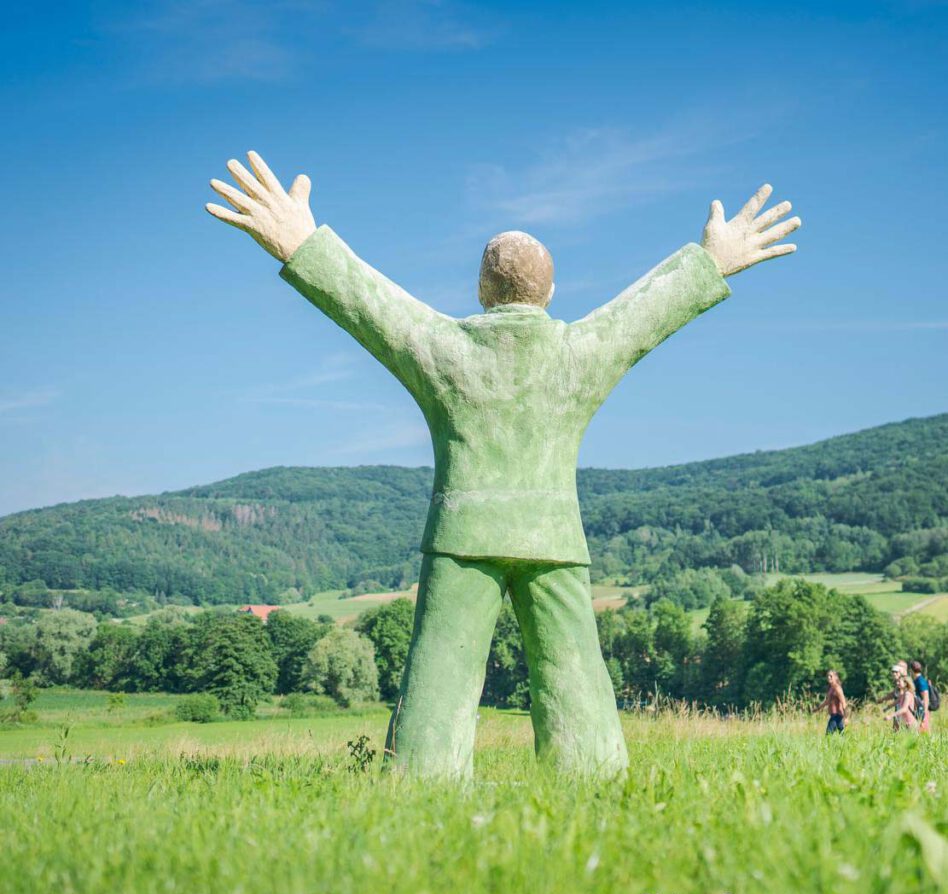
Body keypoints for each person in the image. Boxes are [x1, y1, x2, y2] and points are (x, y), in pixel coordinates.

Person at [206, 152, 801, 777]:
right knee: (574, 679)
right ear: (549, 293)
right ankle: (592, 784)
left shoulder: (445, 349)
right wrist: (712, 259)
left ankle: (424, 788)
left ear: (481, 291)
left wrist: (299, 241)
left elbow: (372, 305)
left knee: (440, 674)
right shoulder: (578, 352)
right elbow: (642, 316)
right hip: (554, 538)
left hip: (462, 536)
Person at [911, 660, 932, 734]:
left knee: (923, 732)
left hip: (922, 710)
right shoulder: (917, 680)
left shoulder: (920, 681)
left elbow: (925, 697)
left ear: (911, 670)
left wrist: (925, 713)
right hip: (919, 710)